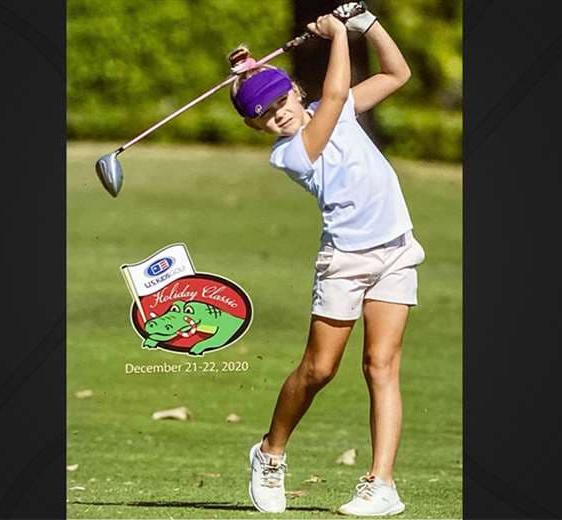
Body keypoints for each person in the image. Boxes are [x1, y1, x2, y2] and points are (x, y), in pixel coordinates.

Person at [230, 3, 425, 516]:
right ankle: (270, 452)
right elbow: (336, 95)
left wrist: (367, 24)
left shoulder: (334, 110)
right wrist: (339, 33)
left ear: (296, 91)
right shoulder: (290, 153)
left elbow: (397, 74)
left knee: (381, 366)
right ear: (256, 126)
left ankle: (381, 484)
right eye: (266, 113)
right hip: (345, 261)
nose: (279, 113)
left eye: (281, 100)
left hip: (396, 250)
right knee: (319, 369)